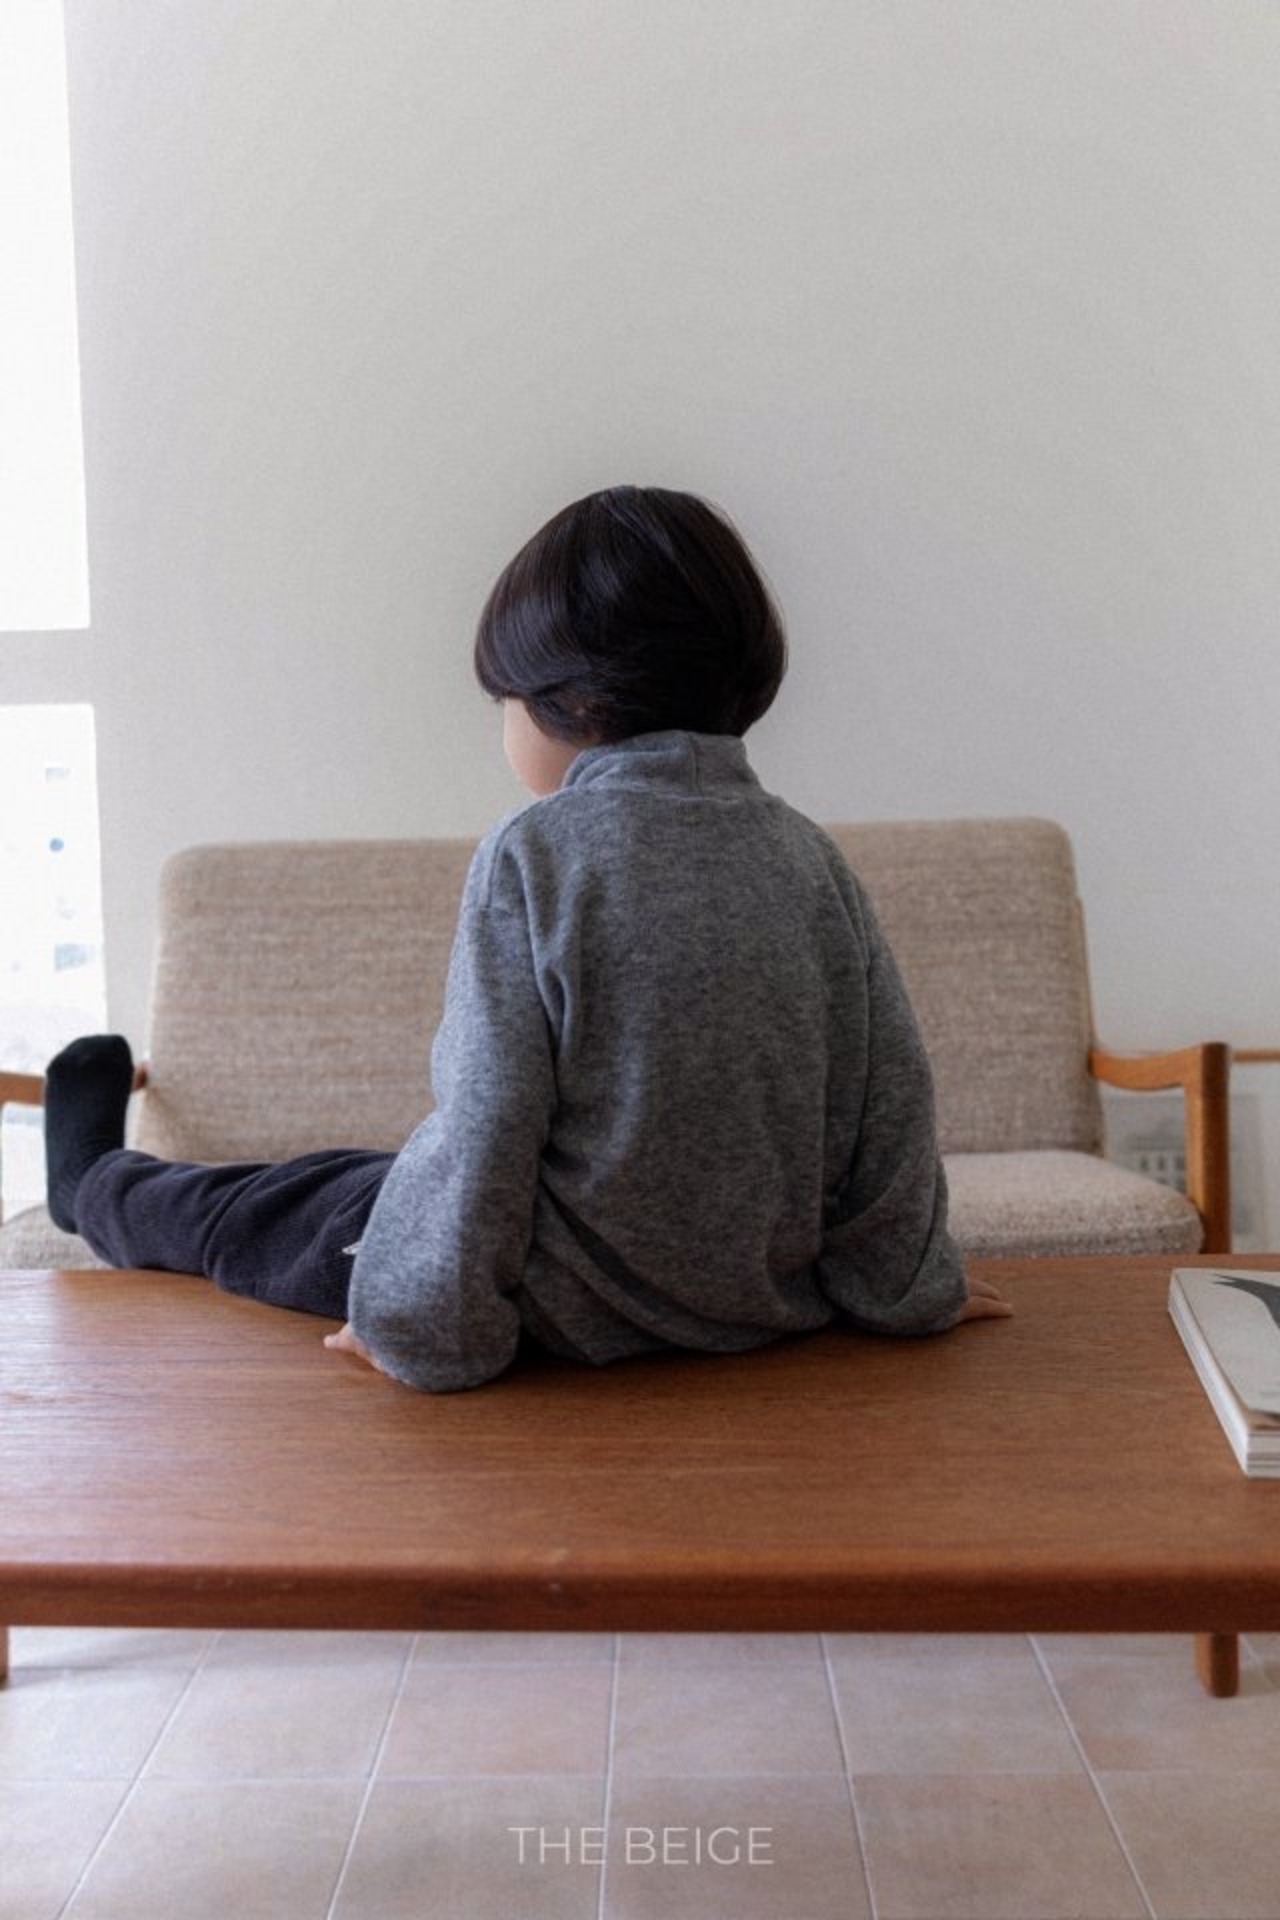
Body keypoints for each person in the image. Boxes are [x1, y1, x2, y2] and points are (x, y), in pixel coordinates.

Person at [43, 484, 1011, 1391]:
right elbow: (889, 1102)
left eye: (503, 702)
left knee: (271, 1205)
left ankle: (89, 1185)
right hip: (750, 1306)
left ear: (574, 701)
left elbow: (490, 1115)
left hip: (555, 1307)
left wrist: (422, 1321)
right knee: (356, 1176)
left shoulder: (536, 853)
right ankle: (113, 1183)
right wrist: (906, 1288)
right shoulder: (809, 858)